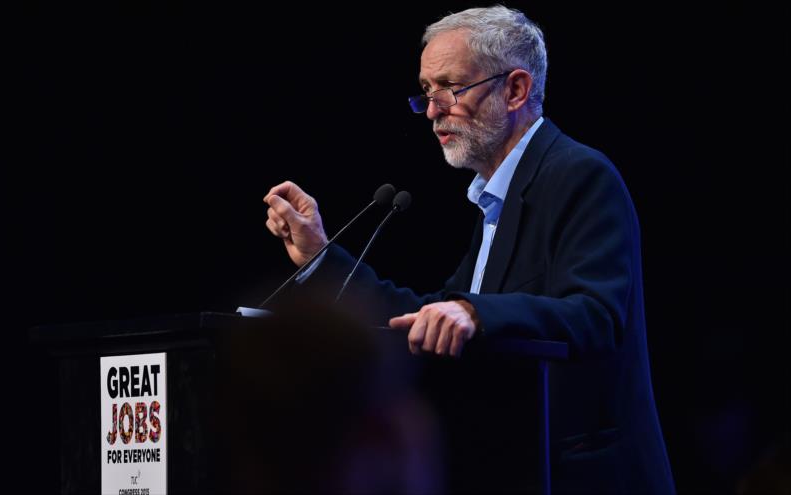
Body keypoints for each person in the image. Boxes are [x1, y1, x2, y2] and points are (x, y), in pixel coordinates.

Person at [264, 4, 675, 493]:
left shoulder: (579, 175)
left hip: (582, 478)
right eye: (426, 92)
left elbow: (597, 315)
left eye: (451, 88)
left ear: (516, 89)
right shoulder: (499, 199)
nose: (433, 110)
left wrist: (476, 314)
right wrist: (320, 256)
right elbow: (427, 317)